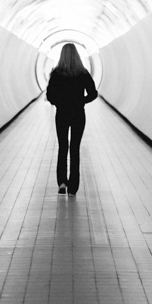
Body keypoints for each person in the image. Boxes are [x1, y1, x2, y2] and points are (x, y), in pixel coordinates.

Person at [46, 43, 98, 196]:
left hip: (61, 113)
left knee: (63, 147)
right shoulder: (82, 73)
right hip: (78, 114)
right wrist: (82, 101)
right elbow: (93, 93)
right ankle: (73, 187)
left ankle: (62, 182)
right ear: (77, 55)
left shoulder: (56, 74)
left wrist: (59, 102)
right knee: (74, 149)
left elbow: (50, 95)